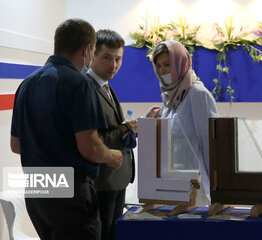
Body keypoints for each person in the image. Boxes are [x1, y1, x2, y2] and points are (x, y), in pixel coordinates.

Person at [10, 18, 123, 240]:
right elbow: (89, 147)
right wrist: (111, 155)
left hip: (36, 190)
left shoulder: (26, 84)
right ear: (87, 50)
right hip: (70, 193)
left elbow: (16, 145)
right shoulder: (79, 84)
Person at [146, 40, 219, 206]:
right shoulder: (169, 98)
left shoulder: (198, 94)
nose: (163, 70)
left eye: (167, 64)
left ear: (181, 63)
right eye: (159, 66)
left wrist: (217, 190)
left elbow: (210, 146)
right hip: (171, 185)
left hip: (197, 189)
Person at [85, 29, 137, 240]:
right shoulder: (86, 87)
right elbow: (93, 140)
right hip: (101, 181)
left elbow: (109, 127)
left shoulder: (105, 86)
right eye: (107, 58)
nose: (113, 65)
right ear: (92, 54)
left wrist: (131, 126)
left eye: (118, 59)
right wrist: (124, 128)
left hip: (116, 178)